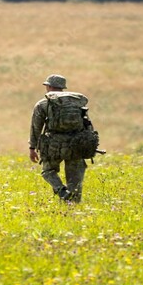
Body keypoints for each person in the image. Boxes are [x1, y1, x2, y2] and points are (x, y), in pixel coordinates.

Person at [29, 74, 88, 203]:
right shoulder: (76, 102)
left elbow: (36, 127)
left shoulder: (43, 104)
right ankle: (74, 205)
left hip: (53, 144)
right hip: (76, 144)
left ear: (48, 86)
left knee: (48, 171)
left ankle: (61, 190)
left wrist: (32, 147)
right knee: (75, 178)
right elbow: (86, 123)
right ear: (62, 87)